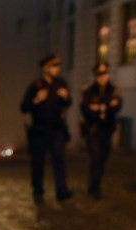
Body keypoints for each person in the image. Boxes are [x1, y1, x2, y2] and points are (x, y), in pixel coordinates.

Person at [21, 53, 74, 203]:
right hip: (39, 129)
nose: (57, 69)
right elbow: (24, 107)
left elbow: (68, 103)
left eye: (58, 65)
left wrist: (66, 97)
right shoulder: (36, 85)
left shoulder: (61, 83)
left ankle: (61, 190)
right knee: (38, 161)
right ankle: (38, 190)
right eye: (54, 66)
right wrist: (36, 100)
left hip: (57, 128)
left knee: (59, 159)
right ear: (45, 68)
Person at [80, 63, 122, 199]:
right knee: (95, 157)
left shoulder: (114, 90)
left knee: (102, 158)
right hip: (92, 129)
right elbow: (86, 110)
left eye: (104, 74)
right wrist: (106, 107)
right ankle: (95, 186)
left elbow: (116, 107)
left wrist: (99, 108)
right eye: (99, 75)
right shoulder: (89, 91)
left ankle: (95, 182)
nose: (102, 78)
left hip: (107, 129)